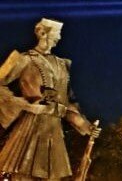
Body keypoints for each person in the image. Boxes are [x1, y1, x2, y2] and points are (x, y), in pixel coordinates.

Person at [0, 18, 100, 181]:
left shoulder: (62, 65)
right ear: (41, 33)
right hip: (30, 129)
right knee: (24, 175)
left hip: (54, 132)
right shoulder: (24, 59)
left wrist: (85, 126)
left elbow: (66, 104)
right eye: (57, 33)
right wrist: (25, 105)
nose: (59, 38)